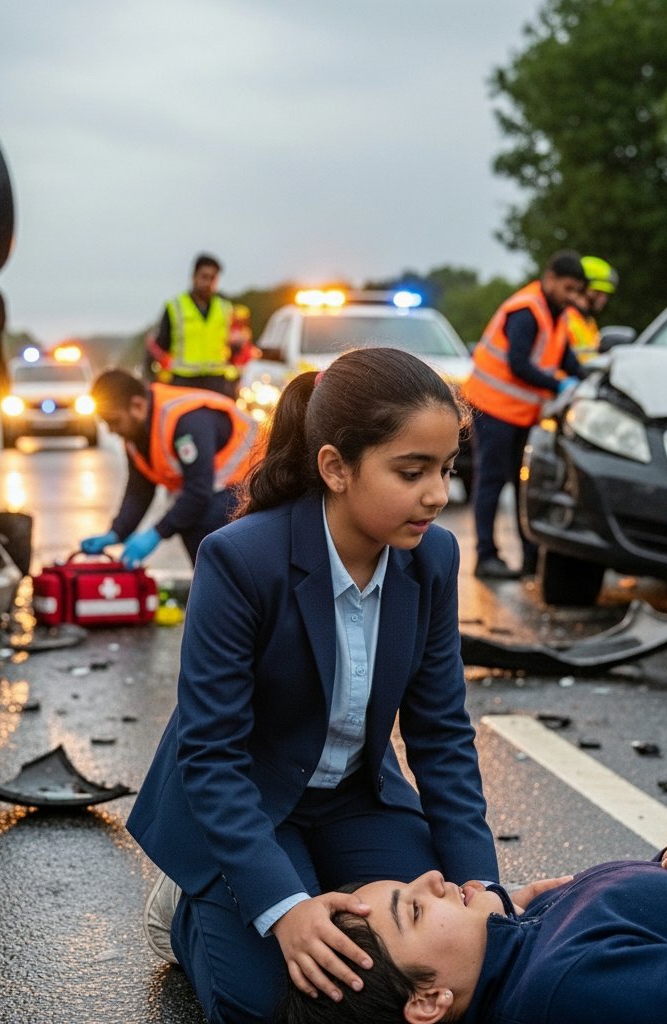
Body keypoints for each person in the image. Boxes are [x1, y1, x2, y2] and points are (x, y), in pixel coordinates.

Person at [125, 347, 505, 1024]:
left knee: (448, 967)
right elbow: (210, 754)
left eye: (446, 470)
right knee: (267, 1003)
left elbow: (441, 734)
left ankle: (296, 880)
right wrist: (285, 908)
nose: (438, 495)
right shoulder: (241, 559)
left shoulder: (434, 560)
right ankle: (186, 909)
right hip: (247, 797)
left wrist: (484, 888)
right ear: (336, 467)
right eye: (411, 471)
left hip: (355, 797)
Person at [275, 820, 667, 1024]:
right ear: (428, 1000)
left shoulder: (523, 939)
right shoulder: (567, 988)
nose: (431, 878)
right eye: (416, 909)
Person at [463, 251, 587, 580]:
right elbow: (519, 364)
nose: (573, 297)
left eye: (577, 291)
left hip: (520, 415)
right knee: (490, 481)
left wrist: (586, 378)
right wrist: (559, 384)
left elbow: (565, 357)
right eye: (568, 288)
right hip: (493, 408)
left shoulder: (556, 315)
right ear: (549, 280)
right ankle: (485, 557)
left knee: (523, 486)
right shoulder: (527, 311)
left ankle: (531, 556)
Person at [79, 368, 258, 567]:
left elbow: (198, 492)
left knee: (199, 518)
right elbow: (139, 490)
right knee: (191, 520)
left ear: (137, 406)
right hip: (222, 490)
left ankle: (222, 589)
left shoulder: (186, 422)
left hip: (253, 487)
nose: (112, 430)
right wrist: (116, 532)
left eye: (114, 421)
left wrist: (157, 532)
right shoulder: (136, 434)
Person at [146, 253, 240, 397]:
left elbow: (234, 345)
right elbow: (162, 344)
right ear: (194, 276)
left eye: (213, 278)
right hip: (183, 380)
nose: (208, 283)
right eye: (204, 277)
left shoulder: (225, 308)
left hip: (216, 381)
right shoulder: (175, 306)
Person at [565, 255, 619, 362]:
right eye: (598, 292)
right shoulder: (567, 320)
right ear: (581, 287)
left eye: (606, 294)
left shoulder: (588, 322)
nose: (603, 299)